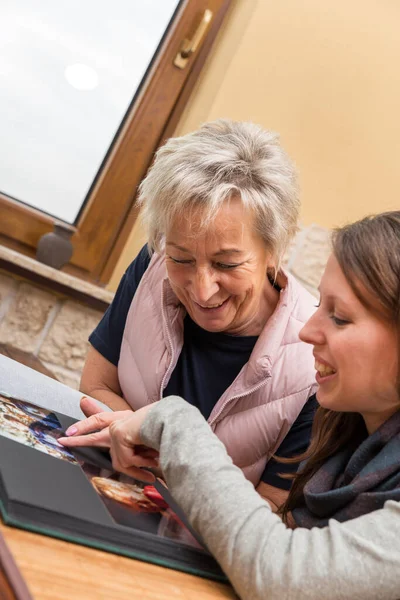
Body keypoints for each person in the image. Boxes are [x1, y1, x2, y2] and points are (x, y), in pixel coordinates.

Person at [61, 211, 400, 599]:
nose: (307, 331)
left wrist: (173, 422)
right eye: (321, 305)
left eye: (339, 317)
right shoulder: (344, 435)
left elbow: (283, 575)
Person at [82, 119, 318, 496]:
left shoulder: (314, 358)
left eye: (227, 264)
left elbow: (273, 513)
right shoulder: (150, 268)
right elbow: (96, 385)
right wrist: (135, 433)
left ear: (274, 251)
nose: (203, 291)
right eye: (182, 258)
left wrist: (167, 459)